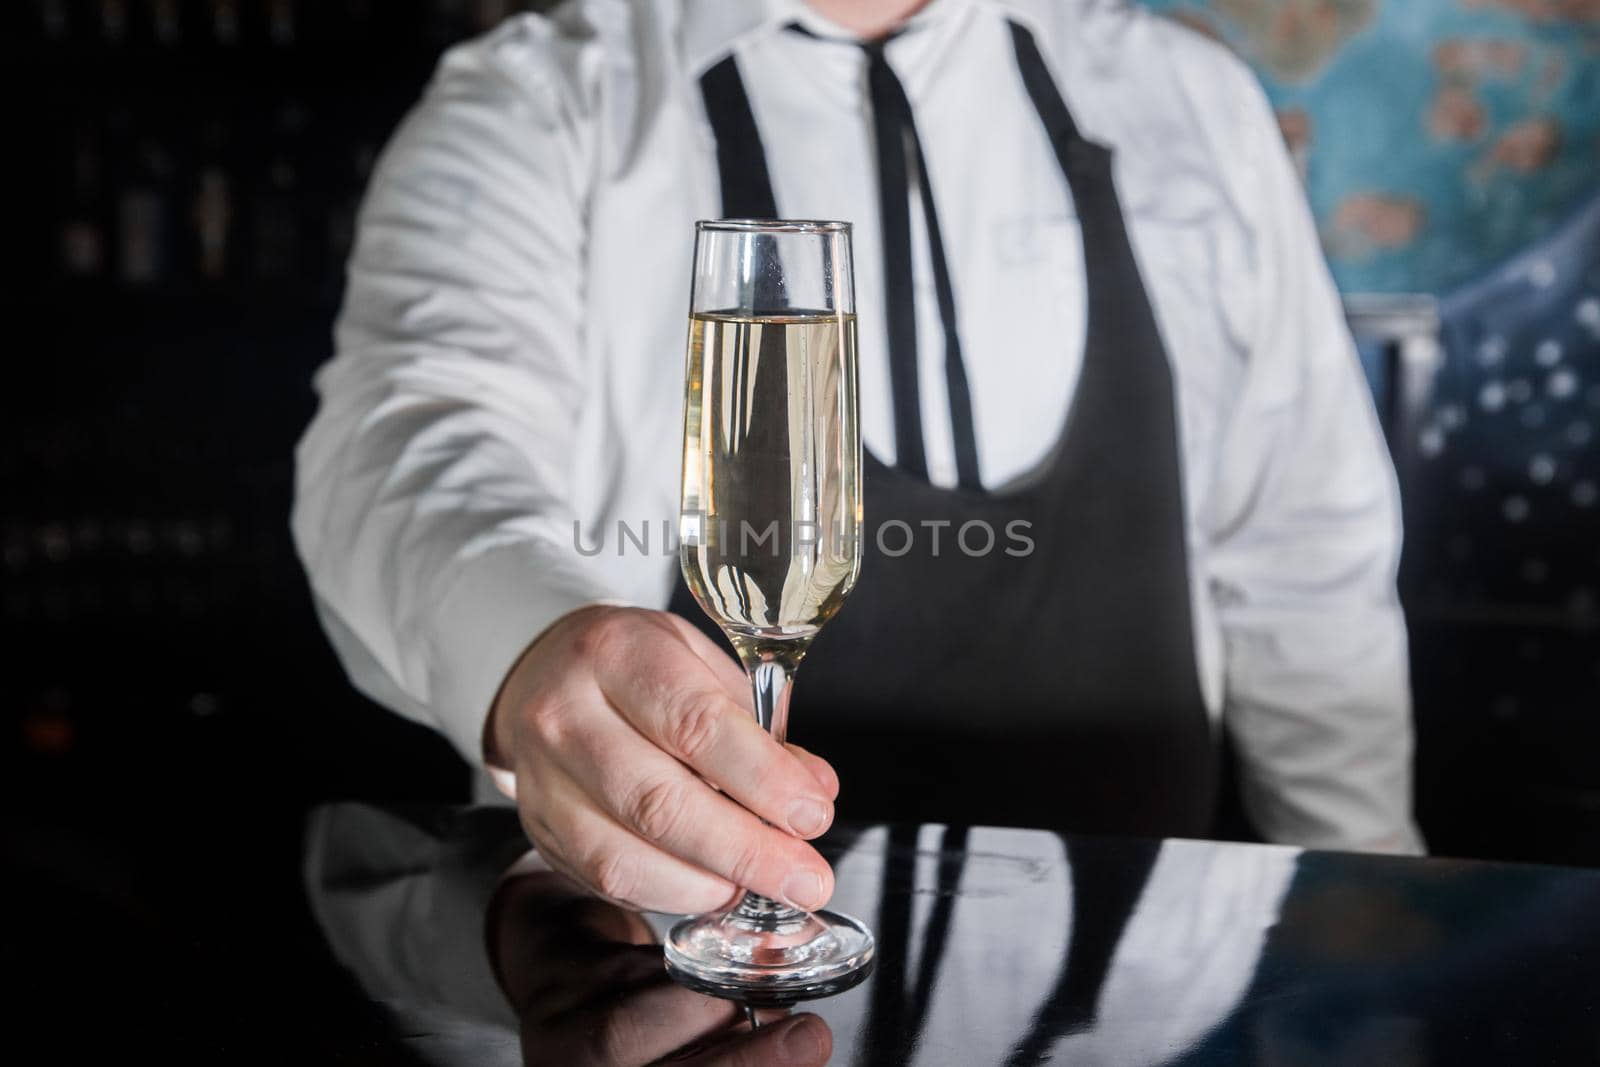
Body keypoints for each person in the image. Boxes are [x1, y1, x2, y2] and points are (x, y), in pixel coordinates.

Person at [293, 0, 1424, 918]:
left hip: (1138, 986)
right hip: (668, 988)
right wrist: (528, 643)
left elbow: (1302, 550)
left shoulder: (1189, 98)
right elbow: (410, 428)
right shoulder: (547, 98)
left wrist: (1364, 881)